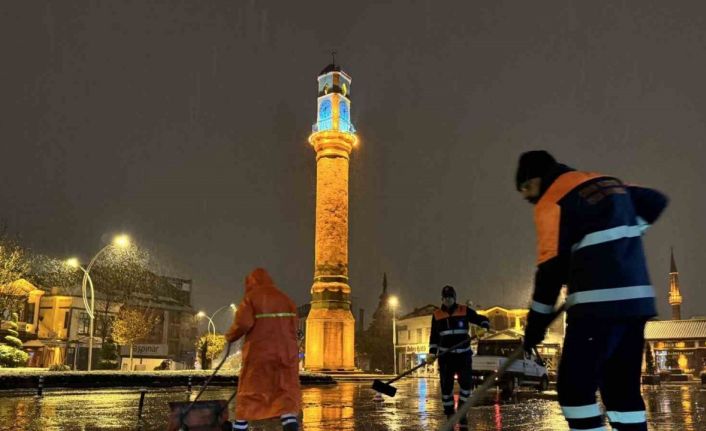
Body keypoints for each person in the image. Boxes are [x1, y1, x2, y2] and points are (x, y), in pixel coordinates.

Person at [516, 150, 668, 431]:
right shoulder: (608, 184)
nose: (526, 196)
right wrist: (629, 231)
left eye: (525, 188)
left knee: (574, 390)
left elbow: (550, 271)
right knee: (622, 391)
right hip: (635, 304)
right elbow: (656, 200)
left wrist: (535, 326)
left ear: (537, 178)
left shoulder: (551, 201)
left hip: (596, 306)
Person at [225, 268, 302, 431]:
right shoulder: (286, 299)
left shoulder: (252, 298)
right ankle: (290, 422)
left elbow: (243, 323)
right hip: (286, 353)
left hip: (260, 352)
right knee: (284, 389)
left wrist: (230, 336)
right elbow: (294, 325)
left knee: (251, 388)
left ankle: (240, 426)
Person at [426, 285, 490, 428]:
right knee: (446, 388)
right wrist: (432, 353)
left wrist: (483, 327)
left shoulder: (464, 310)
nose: (448, 300)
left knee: (466, 386)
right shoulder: (436, 315)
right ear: (442, 299)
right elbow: (434, 337)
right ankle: (450, 413)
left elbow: (482, 319)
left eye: (450, 297)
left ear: (454, 298)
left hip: (463, 356)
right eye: (445, 297)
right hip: (446, 357)